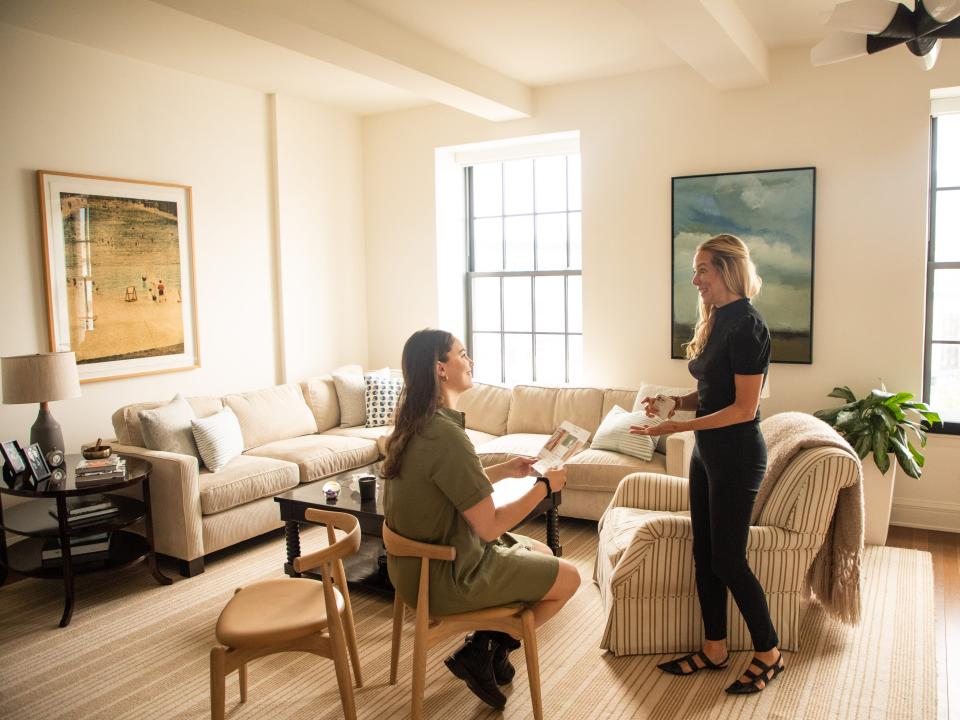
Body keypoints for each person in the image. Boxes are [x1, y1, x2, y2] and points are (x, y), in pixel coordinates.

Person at [382, 329, 580, 710]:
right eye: (462, 354)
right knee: (569, 578)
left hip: (411, 570)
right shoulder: (447, 436)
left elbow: (446, 487)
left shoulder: (416, 425)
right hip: (446, 576)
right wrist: (544, 487)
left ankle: (489, 650)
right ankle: (485, 647)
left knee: (539, 548)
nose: (470, 361)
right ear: (441, 368)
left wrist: (505, 470)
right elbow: (489, 526)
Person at [630, 234, 783, 695]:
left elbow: (743, 408)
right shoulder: (717, 321)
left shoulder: (749, 325)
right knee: (704, 554)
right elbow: (714, 390)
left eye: (703, 270)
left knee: (729, 559)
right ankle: (714, 647)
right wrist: (676, 402)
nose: (695, 280)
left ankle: (769, 652)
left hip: (736, 454)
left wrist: (675, 430)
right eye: (695, 271)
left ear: (728, 270)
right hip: (708, 452)